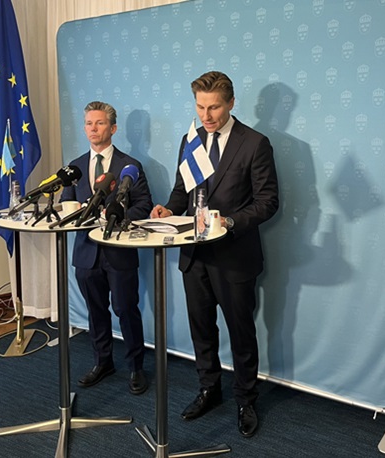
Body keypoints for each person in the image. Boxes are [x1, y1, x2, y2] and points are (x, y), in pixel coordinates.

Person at [150, 71, 279, 437]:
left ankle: (246, 400)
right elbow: (183, 191)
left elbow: (268, 202)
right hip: (194, 257)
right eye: (200, 107)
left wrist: (230, 221)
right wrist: (168, 209)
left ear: (231, 103)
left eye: (215, 108)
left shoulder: (255, 143)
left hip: (234, 257)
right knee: (202, 329)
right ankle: (209, 389)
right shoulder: (190, 140)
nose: (206, 115)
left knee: (241, 333)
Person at [61, 101, 153, 395]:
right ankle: (103, 362)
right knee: (95, 311)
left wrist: (117, 216)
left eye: (99, 123)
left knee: (126, 309)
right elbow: (66, 205)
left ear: (113, 128)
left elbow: (144, 206)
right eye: (89, 123)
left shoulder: (130, 166)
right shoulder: (75, 166)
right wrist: (74, 211)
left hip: (119, 253)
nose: (93, 129)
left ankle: (136, 367)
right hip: (86, 253)